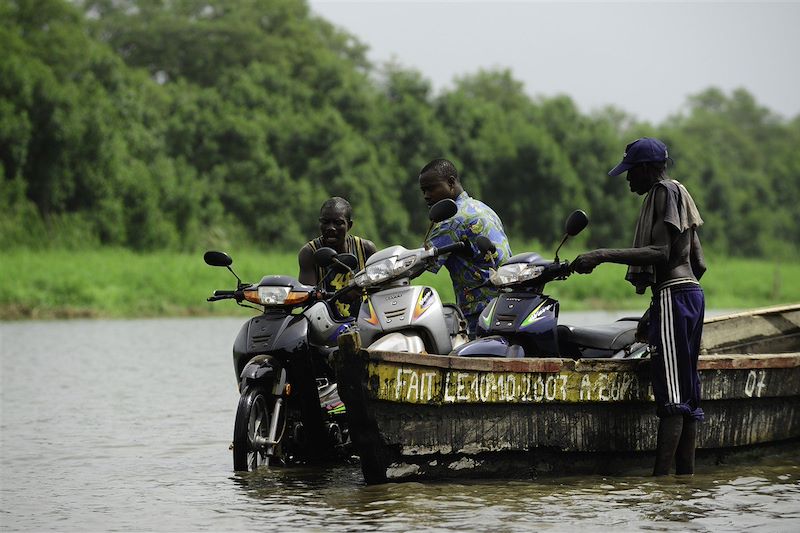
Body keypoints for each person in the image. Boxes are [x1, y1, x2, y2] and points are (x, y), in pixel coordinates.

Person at [571, 137, 707, 476]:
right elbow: (699, 262)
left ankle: (660, 487)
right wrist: (656, 307)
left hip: (674, 294)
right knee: (688, 401)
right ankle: (684, 486)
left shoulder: (662, 193)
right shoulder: (681, 192)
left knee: (673, 401)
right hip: (691, 294)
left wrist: (601, 255)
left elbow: (660, 253)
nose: (629, 180)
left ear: (647, 169)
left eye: (632, 173)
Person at [418, 158, 512, 337]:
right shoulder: (482, 208)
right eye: (423, 190)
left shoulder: (452, 220)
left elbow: (418, 262)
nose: (426, 196)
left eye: (431, 188)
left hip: (480, 310)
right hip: (504, 304)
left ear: (451, 182)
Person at [298, 197, 376, 318]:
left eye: (338, 223)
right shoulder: (309, 253)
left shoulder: (365, 249)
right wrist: (345, 296)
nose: (331, 228)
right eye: (325, 222)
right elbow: (307, 299)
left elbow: (379, 288)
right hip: (324, 324)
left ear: (349, 225)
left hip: (364, 322)